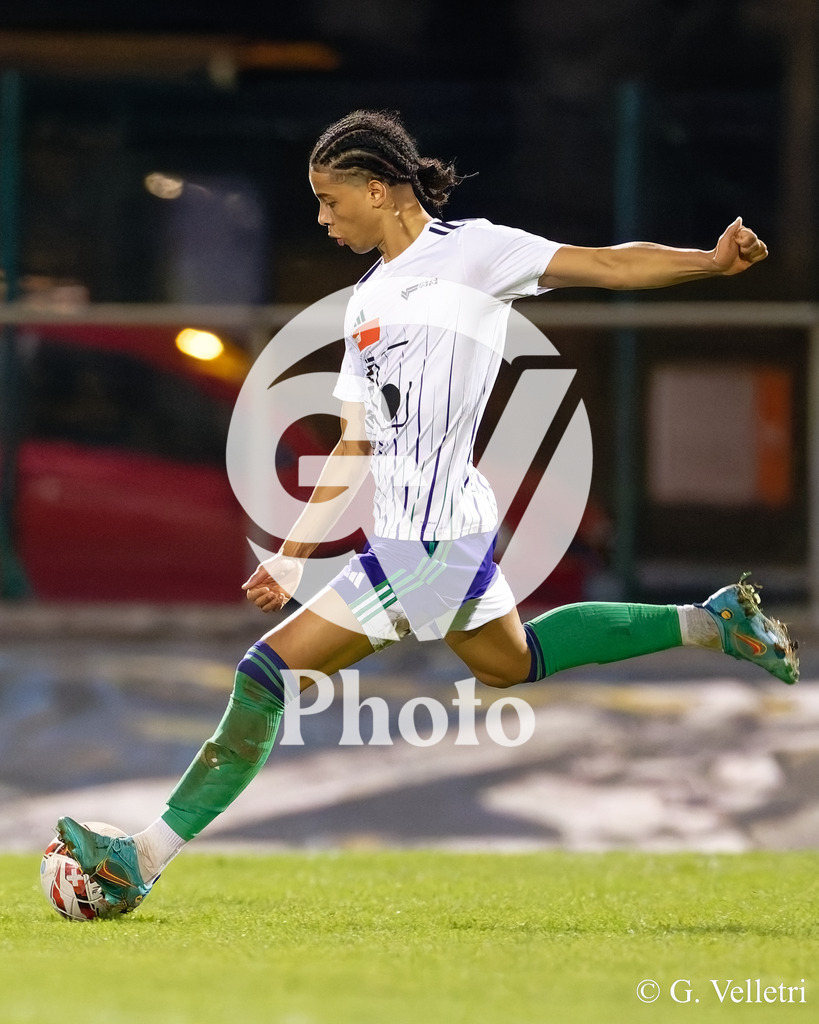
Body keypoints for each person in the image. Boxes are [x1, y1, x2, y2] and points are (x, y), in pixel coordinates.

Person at [56, 109, 798, 914]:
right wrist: (294, 554)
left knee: (264, 677)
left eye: (330, 201)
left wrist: (709, 262)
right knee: (509, 663)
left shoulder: (474, 252)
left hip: (431, 542)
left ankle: (139, 859)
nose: (321, 219)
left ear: (378, 190)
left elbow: (606, 266)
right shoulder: (363, 302)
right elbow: (354, 445)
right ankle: (710, 623)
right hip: (425, 536)